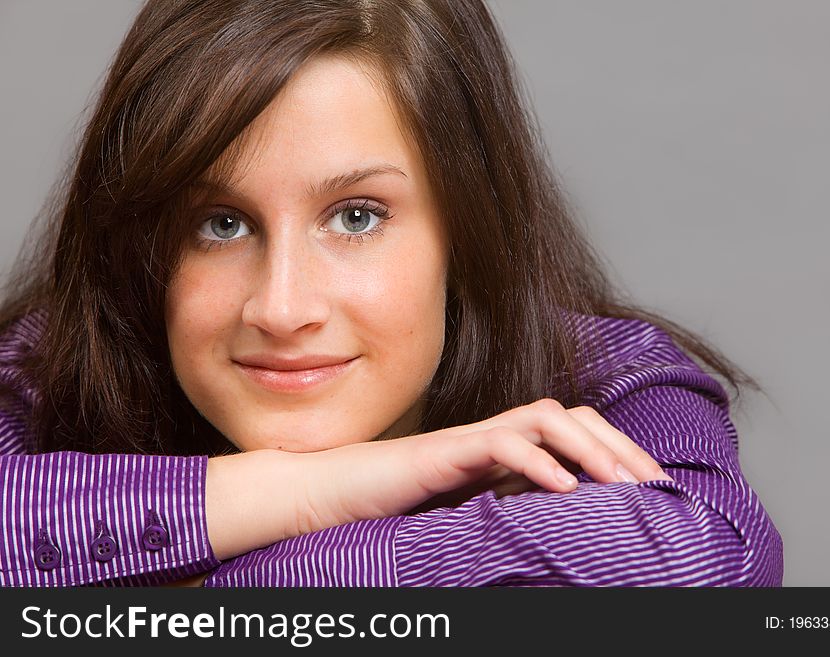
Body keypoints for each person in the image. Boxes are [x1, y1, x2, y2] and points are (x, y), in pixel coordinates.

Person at [0, 0, 782, 587]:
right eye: (221, 223)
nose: (280, 307)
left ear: (467, 227)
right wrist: (315, 491)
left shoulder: (605, 375)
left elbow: (709, 559)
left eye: (356, 216)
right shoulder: (45, 368)